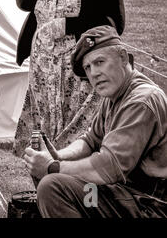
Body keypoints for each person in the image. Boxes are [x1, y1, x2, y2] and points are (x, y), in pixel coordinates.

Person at [24, 25, 166, 218]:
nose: (94, 73)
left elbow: (108, 167)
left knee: (54, 187)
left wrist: (51, 167)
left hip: (150, 205)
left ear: (123, 57)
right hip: (125, 196)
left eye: (100, 62)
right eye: (88, 68)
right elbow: (91, 140)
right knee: (63, 186)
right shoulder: (115, 95)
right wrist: (58, 156)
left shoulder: (141, 101)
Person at [13, 0, 125, 154]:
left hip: (79, 69)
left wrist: (68, 25)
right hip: (43, 69)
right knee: (42, 133)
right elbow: (23, 1)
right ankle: (45, 186)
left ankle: (76, 187)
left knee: (78, 135)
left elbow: (115, 22)